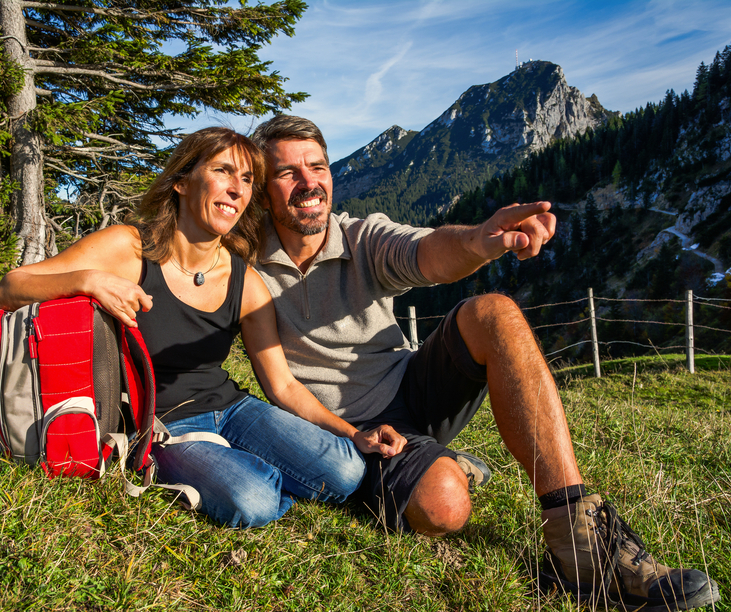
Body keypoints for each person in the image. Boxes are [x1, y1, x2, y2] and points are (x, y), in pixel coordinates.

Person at [248, 115, 721, 610]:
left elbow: (426, 252)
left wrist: (479, 240)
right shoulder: (241, 261)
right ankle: (446, 465)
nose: (309, 184)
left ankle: (575, 535)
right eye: (287, 173)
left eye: (317, 167)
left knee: (493, 313)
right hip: (348, 429)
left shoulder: (363, 238)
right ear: (262, 192)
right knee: (444, 506)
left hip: (410, 386)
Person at [0, 127, 401, 529]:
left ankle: (250, 468)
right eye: (223, 171)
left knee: (347, 470)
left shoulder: (247, 281)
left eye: (247, 180)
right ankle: (240, 474)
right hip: (164, 424)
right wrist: (88, 280)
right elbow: (9, 289)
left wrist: (353, 433)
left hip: (234, 410)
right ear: (182, 182)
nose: (237, 189)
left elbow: (283, 387)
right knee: (252, 501)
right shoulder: (130, 248)